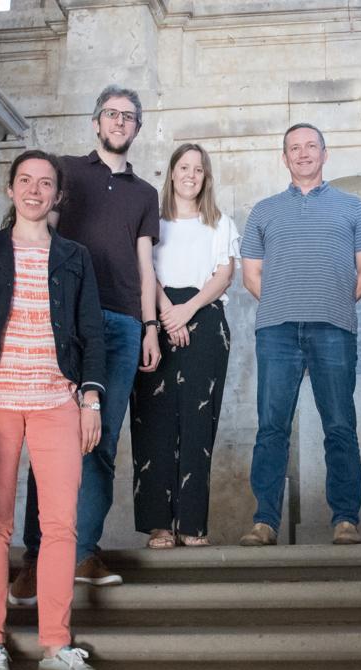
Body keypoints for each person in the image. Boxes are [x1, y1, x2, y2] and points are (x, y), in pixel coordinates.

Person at [12, 85, 161, 598]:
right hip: (67, 318)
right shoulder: (66, 174)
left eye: (129, 116)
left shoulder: (145, 193)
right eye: (112, 114)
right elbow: (39, 232)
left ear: (137, 128)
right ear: (97, 122)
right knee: (52, 440)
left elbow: (145, 264)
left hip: (121, 323)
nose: (120, 122)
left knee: (100, 443)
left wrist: (150, 326)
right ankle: (34, 556)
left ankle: (82, 553)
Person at [0, 150, 108, 670]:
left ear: (57, 195)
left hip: (57, 401)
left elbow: (91, 331)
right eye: (25, 180)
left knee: (60, 525)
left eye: (45, 183)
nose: (34, 190)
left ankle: (55, 646)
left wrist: (90, 399)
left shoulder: (74, 255)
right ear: (10, 189)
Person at [238, 123, 361, 546]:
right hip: (276, 331)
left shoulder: (354, 207)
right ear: (284, 158)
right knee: (271, 427)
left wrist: (330, 302)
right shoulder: (263, 211)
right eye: (294, 148)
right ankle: (264, 521)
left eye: (310, 146)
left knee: (339, 425)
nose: (303, 154)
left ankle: (346, 519)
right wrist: (286, 301)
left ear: (325, 153)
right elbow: (251, 276)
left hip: (334, 329)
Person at [130, 143, 238, 548]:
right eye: (184, 167)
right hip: (155, 317)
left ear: (205, 177)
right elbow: (145, 270)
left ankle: (192, 523)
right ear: (171, 173)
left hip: (205, 317)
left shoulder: (220, 223)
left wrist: (187, 310)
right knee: (153, 422)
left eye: (198, 169)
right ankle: (160, 524)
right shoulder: (152, 222)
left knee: (198, 422)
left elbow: (223, 275)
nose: (191, 174)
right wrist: (164, 314)